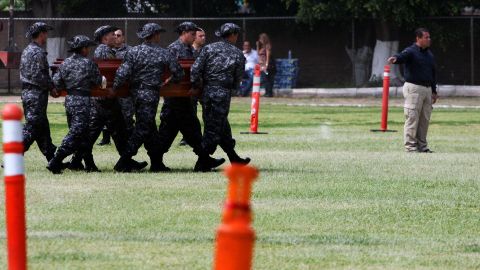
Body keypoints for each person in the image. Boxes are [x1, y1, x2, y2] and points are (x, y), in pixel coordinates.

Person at [112, 23, 184, 172]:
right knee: (143, 128)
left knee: (150, 128)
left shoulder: (133, 52)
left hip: (135, 94)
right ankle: (123, 161)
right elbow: (179, 73)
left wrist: (115, 88)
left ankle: (157, 163)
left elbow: (122, 73)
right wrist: (169, 81)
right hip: (151, 95)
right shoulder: (163, 53)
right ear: (156, 35)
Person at [156, 22, 225, 172]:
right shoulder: (174, 49)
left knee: (177, 131)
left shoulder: (189, 49)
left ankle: (203, 160)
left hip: (184, 96)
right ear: (184, 33)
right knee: (183, 130)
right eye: (192, 34)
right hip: (175, 97)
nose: (195, 37)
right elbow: (170, 71)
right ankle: (203, 160)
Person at [191, 23, 251, 166]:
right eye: (236, 34)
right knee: (214, 128)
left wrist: (196, 87)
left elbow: (195, 70)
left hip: (207, 92)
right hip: (223, 94)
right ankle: (202, 161)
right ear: (232, 35)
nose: (237, 37)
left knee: (220, 125)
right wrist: (232, 90)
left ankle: (233, 157)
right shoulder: (237, 53)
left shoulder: (208, 49)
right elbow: (238, 79)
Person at [47, 35, 103, 174]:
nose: (88, 50)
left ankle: (88, 164)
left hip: (70, 100)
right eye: (87, 47)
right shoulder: (89, 63)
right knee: (76, 133)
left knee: (82, 134)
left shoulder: (64, 63)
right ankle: (55, 160)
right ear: (83, 49)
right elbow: (97, 81)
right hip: (83, 101)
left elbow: (57, 83)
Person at [388, 28, 438, 153]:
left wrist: (434, 91)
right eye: (426, 37)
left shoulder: (429, 54)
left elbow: (433, 74)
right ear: (418, 38)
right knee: (412, 118)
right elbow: (401, 56)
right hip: (414, 89)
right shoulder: (411, 51)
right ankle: (410, 147)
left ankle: (422, 147)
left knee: (424, 120)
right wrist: (395, 58)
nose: (429, 39)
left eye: (429, 37)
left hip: (427, 90)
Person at [19, 22, 58, 163]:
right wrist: (52, 87)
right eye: (45, 32)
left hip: (28, 93)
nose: (47, 35)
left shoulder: (27, 50)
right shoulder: (37, 52)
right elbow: (39, 75)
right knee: (33, 126)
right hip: (36, 95)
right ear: (41, 34)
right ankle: (13, 156)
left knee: (42, 127)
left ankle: (53, 160)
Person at [113, 28, 135, 142]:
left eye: (119, 35)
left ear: (123, 37)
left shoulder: (130, 50)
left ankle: (130, 137)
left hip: (126, 88)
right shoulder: (107, 50)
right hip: (111, 88)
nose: (116, 37)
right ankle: (107, 138)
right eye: (114, 35)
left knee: (127, 114)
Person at [256, 33, 275, 97]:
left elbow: (268, 56)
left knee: (267, 79)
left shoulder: (267, 46)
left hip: (267, 66)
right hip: (262, 65)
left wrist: (266, 65)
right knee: (265, 79)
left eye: (261, 39)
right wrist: (257, 46)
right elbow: (258, 54)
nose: (260, 40)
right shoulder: (262, 47)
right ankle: (267, 92)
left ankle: (269, 93)